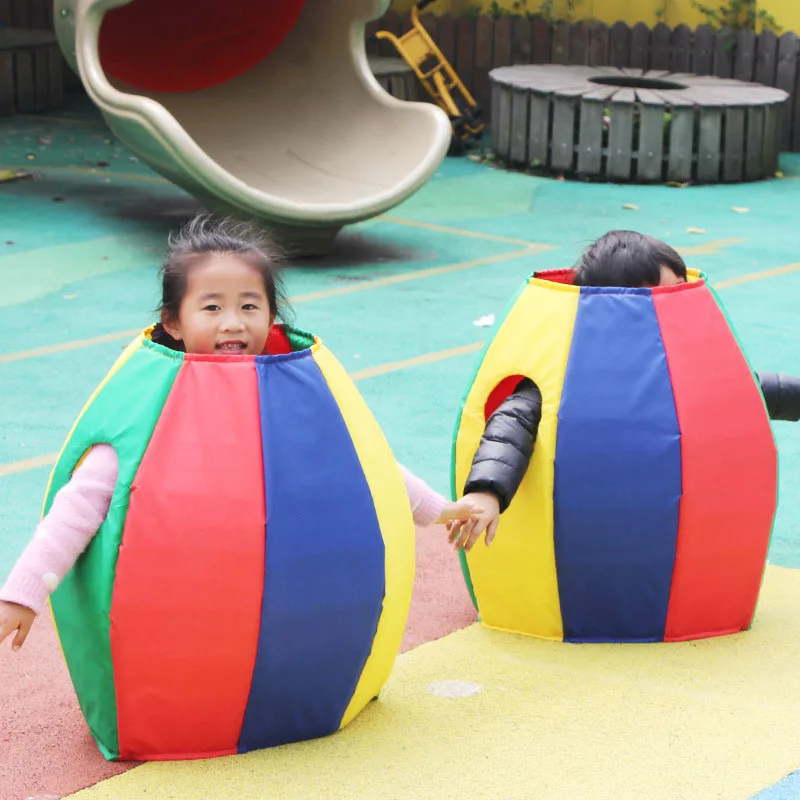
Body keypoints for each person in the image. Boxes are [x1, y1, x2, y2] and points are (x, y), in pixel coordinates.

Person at [0, 215, 482, 652]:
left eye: (250, 305)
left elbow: (363, 463)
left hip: (277, 613)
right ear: (173, 322)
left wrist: (440, 510)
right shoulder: (151, 412)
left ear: (272, 316)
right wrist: (23, 594)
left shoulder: (290, 395)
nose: (233, 322)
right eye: (211, 307)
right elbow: (77, 507)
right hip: (181, 620)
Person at [449, 230, 800, 552]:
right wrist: (487, 490)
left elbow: (745, 389)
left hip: (666, 531)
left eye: (682, 290)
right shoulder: (570, 368)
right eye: (666, 295)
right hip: (588, 537)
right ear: (625, 307)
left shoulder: (681, 363)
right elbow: (512, 424)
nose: (681, 304)